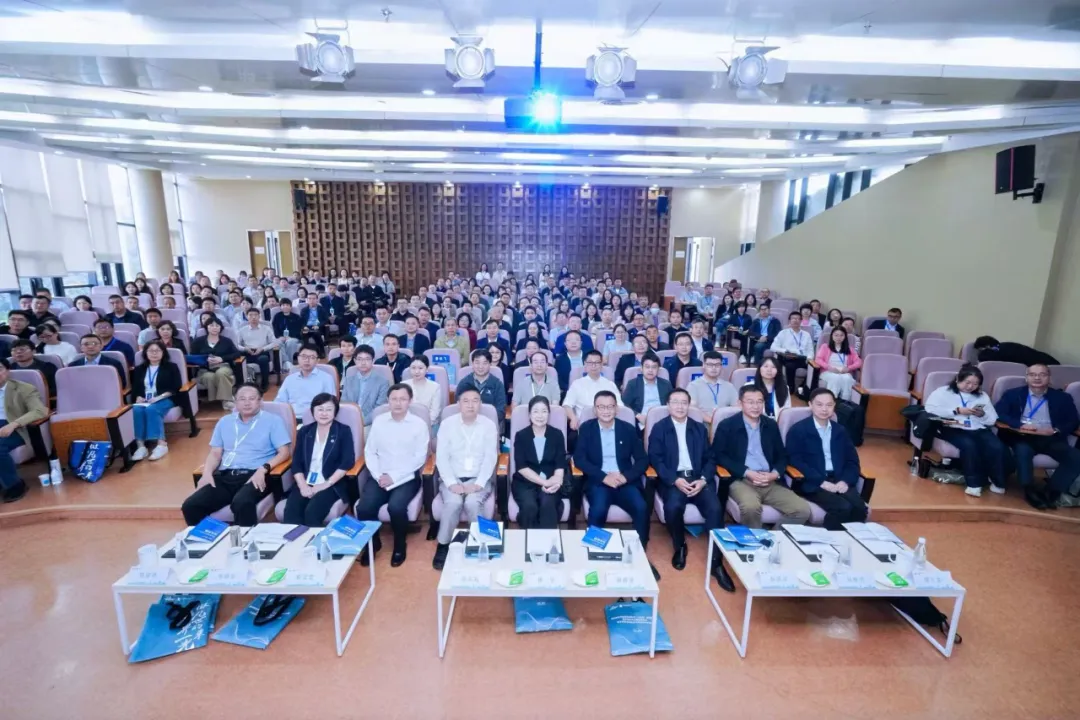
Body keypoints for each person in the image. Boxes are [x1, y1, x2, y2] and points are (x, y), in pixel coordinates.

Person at [648, 388, 733, 590]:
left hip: (698, 479)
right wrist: (674, 480)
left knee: (715, 509)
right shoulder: (660, 428)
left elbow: (710, 459)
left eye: (684, 402)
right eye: (675, 402)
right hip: (674, 479)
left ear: (689, 405)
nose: (679, 406)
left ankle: (716, 562)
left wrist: (703, 480)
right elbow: (656, 459)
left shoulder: (698, 428)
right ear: (668, 405)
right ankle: (680, 546)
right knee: (673, 507)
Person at [573, 391, 659, 580]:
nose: (606, 411)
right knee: (598, 510)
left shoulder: (627, 429)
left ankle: (640, 556)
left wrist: (625, 477)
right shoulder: (587, 428)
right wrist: (603, 477)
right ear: (595, 410)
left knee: (641, 507)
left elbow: (642, 460)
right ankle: (595, 554)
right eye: (601, 407)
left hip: (623, 481)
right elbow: (579, 459)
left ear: (616, 409)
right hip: (599, 481)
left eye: (610, 406)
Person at [181, 383, 291, 526]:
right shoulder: (224, 422)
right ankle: (214, 537)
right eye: (242, 399)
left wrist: (263, 469)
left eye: (252, 398)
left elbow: (284, 452)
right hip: (226, 476)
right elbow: (215, 453)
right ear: (235, 401)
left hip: (256, 475)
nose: (247, 403)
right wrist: (207, 473)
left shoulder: (273, 421)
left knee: (241, 502)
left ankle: (243, 540)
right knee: (191, 506)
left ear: (260, 401)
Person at [712, 385, 811, 528]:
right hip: (741, 480)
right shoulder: (727, 425)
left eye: (759, 401)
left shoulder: (770, 425)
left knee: (802, 510)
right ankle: (754, 540)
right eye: (750, 402)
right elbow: (719, 455)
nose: (755, 406)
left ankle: (772, 538)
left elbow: (782, 455)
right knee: (751, 507)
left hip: (769, 480)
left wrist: (774, 474)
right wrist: (747, 472)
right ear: (740, 403)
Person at [355, 384, 429, 567]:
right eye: (394, 399)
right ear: (388, 401)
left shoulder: (418, 424)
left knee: (396, 507)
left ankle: (399, 545)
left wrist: (393, 477)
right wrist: (378, 475)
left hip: (406, 477)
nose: (398, 403)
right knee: (364, 508)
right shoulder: (379, 421)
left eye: (403, 399)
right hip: (380, 475)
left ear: (410, 401)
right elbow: (370, 451)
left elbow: (419, 458)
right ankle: (373, 544)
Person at [995, 364, 1080, 509]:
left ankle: (1051, 491)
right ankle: (1029, 490)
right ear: (1026, 378)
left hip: (1049, 437)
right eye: (1032, 374)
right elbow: (999, 413)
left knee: (1076, 456)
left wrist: (1055, 430)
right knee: (1023, 451)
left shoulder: (1063, 397)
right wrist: (1020, 424)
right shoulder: (1012, 394)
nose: (1037, 378)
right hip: (1021, 436)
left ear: (1049, 378)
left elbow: (1072, 421)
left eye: (1042, 374)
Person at [431, 388, 499, 570]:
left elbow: (490, 457)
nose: (471, 405)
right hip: (452, 478)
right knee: (453, 503)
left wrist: (478, 484)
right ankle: (443, 545)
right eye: (466, 401)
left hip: (479, 478)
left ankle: (480, 545)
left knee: (472, 503)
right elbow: (441, 457)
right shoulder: (447, 424)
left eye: (475, 400)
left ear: (480, 404)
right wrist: (451, 483)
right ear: (458, 404)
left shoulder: (488, 425)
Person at [787, 388, 868, 529]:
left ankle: (848, 539)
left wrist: (845, 481)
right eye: (819, 404)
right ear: (810, 405)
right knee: (842, 507)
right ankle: (828, 538)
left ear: (834, 406)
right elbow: (795, 461)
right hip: (812, 482)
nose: (824, 409)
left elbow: (852, 461)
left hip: (838, 479)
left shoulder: (840, 431)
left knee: (860, 508)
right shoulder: (798, 430)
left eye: (829, 405)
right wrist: (821, 482)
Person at [925, 365, 1008, 497]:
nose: (970, 387)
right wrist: (956, 411)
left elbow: (992, 420)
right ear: (958, 379)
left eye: (975, 384)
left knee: (997, 446)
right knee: (969, 445)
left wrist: (982, 415)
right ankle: (973, 483)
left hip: (977, 427)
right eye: (967, 382)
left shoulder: (982, 396)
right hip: (952, 427)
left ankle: (997, 481)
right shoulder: (943, 392)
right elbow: (930, 409)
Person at [282, 393, 357, 526]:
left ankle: (314, 540)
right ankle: (295, 540)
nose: (324, 413)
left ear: (335, 412)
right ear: (313, 411)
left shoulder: (343, 431)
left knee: (312, 512)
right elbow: (297, 462)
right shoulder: (305, 431)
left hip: (331, 483)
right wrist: (302, 485)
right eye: (320, 409)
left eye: (328, 409)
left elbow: (347, 461)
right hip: (306, 481)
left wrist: (325, 484)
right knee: (292, 513)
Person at [512, 396, 567, 529]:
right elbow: (522, 467)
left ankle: (548, 540)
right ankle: (530, 539)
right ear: (529, 415)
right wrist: (544, 482)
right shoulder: (521, 436)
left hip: (550, 480)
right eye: (536, 411)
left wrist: (557, 481)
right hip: (525, 482)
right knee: (530, 507)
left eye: (544, 411)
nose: (540, 415)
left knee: (548, 504)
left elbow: (560, 463)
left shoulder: (557, 434)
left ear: (549, 414)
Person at [0, 363, 48, 503]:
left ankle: (15, 485)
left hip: (14, 428)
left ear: (7, 371)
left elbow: (39, 410)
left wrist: (14, 424)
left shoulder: (23, 388)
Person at [129, 340, 181, 461]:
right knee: (136, 410)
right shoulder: (139, 369)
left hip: (165, 398)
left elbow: (175, 387)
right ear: (145, 353)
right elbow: (135, 388)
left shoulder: (171, 367)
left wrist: (158, 397)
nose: (154, 353)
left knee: (153, 409)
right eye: (151, 351)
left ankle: (161, 444)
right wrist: (138, 397)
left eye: (157, 350)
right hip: (145, 400)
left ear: (163, 352)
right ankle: (141, 446)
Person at [563, 350, 622, 433]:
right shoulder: (577, 384)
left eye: (597, 362)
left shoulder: (610, 384)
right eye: (590, 363)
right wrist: (573, 418)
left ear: (601, 365)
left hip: (608, 423)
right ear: (585, 364)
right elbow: (567, 405)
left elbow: (619, 406)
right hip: (583, 426)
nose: (594, 366)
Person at [190, 317, 240, 410]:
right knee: (210, 377)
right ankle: (219, 400)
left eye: (217, 326)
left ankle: (226, 401)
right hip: (205, 369)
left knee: (221, 373)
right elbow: (192, 357)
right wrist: (205, 359)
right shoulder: (198, 341)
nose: (214, 328)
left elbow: (237, 354)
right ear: (206, 327)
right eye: (211, 325)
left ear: (221, 328)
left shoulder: (226, 341)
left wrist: (222, 358)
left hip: (223, 366)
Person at [277, 347, 336, 421]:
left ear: (317, 360)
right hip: (291, 418)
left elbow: (330, 403)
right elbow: (280, 401)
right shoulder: (289, 379)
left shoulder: (326, 378)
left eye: (312, 357)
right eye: (304, 356)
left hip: (315, 419)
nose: (307, 360)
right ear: (298, 358)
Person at [341, 345, 390, 428]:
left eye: (367, 359)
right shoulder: (348, 381)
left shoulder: (383, 382)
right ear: (355, 361)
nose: (363, 363)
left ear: (373, 361)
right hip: (349, 421)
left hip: (371, 423)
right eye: (359, 359)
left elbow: (379, 408)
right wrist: (350, 421)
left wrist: (361, 423)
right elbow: (344, 403)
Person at [771, 311, 814, 397]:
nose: (795, 320)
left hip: (803, 358)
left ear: (801, 321)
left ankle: (802, 388)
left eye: (798, 319)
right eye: (793, 318)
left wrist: (809, 358)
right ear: (789, 321)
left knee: (814, 368)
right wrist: (785, 351)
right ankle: (790, 387)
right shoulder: (783, 333)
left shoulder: (806, 334)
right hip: (789, 357)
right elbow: (773, 347)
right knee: (790, 366)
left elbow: (810, 350)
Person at [455, 349, 506, 422]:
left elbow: (501, 410)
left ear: (490, 364)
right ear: (472, 364)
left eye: (485, 363)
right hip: (467, 423)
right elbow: (458, 406)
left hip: (490, 423)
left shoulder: (497, 384)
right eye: (477, 363)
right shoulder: (464, 383)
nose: (480, 366)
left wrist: (484, 422)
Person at [622, 353, 672, 427]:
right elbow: (624, 404)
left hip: (663, 421)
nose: (650, 370)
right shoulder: (633, 384)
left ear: (658, 370)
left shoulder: (666, 384)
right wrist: (637, 415)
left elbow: (672, 403)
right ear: (641, 369)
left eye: (654, 367)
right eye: (647, 367)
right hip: (641, 421)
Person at [814, 327, 862, 401]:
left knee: (847, 379)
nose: (838, 338)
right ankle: (832, 400)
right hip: (828, 371)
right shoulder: (825, 347)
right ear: (832, 336)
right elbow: (818, 359)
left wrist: (849, 368)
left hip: (844, 372)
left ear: (845, 337)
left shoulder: (850, 349)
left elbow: (859, 362)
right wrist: (829, 367)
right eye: (836, 335)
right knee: (835, 378)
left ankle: (845, 401)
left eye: (841, 335)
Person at [237, 307, 278, 391]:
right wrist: (245, 348)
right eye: (250, 315)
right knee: (238, 360)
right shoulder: (242, 330)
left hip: (262, 352)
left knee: (263, 359)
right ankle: (242, 385)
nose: (253, 317)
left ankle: (265, 383)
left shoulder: (266, 328)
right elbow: (236, 344)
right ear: (247, 316)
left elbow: (274, 343)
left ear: (259, 316)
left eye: (255, 315)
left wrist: (263, 348)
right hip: (247, 352)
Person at [688, 350, 739, 417]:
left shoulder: (729, 386)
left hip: (725, 422)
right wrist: (712, 421)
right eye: (710, 365)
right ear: (703, 365)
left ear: (721, 366)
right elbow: (693, 410)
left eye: (717, 365)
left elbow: (736, 408)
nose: (714, 368)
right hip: (701, 422)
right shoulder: (693, 386)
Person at [404, 354, 442, 428]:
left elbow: (435, 412)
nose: (416, 371)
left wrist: (422, 426)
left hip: (430, 425)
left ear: (427, 369)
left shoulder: (435, 387)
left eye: (420, 368)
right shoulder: (403, 385)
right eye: (413, 368)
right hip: (407, 425)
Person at [974, 336, 1060, 366]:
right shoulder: (1008, 345)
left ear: (987, 346)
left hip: (1042, 367)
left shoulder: (993, 351)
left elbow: (983, 359)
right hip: (1053, 363)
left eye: (980, 350)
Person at [271, 298, 304, 371]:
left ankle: (288, 363)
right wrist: (279, 337)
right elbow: (275, 328)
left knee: (290, 342)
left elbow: (298, 330)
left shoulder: (296, 317)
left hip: (293, 337)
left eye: (287, 305)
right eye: (283, 305)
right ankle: (287, 362)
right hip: (280, 337)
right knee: (278, 343)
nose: (285, 306)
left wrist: (290, 337)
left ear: (290, 306)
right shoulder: (277, 316)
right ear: (280, 307)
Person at [554, 330, 587, 394]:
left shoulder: (589, 357)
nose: (573, 342)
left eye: (577, 340)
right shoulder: (560, 360)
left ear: (581, 343)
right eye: (569, 340)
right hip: (568, 392)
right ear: (565, 344)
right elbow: (559, 380)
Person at [299, 293, 329, 357]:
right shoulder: (304, 310)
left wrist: (318, 325)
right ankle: (306, 353)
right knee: (303, 333)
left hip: (318, 327)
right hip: (307, 327)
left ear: (317, 300)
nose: (311, 300)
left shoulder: (322, 309)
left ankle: (321, 352)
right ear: (307, 300)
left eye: (313, 299)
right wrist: (304, 327)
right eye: (309, 299)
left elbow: (326, 320)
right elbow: (301, 321)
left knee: (316, 333)